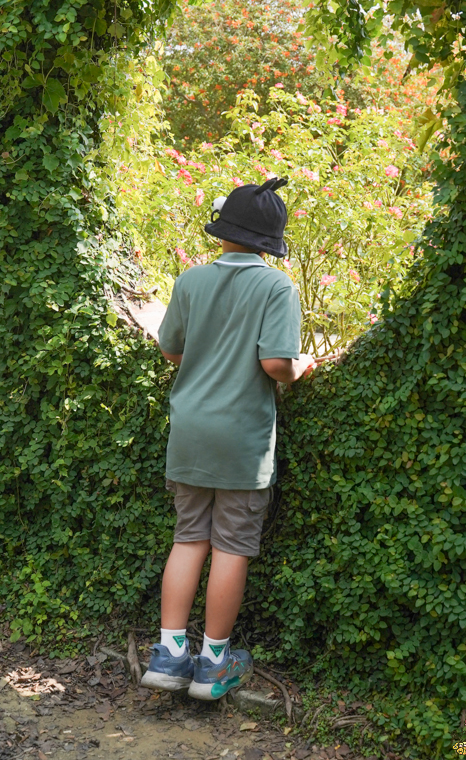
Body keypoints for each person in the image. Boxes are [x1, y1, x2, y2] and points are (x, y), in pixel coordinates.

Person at [141, 178, 315, 701]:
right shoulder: (277, 287)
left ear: (223, 231)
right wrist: (303, 365)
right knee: (231, 546)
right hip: (241, 439)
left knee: (188, 537)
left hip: (189, 433)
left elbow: (171, 349)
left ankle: (170, 654)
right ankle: (213, 662)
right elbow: (275, 365)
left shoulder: (190, 281)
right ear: (270, 240)